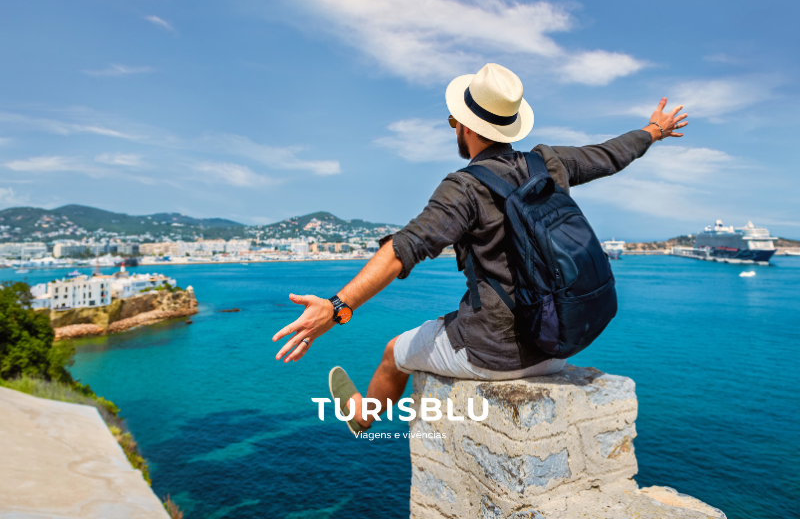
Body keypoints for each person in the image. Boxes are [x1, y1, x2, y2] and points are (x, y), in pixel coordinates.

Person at [273, 63, 688, 434]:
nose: (454, 126)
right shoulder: (548, 162)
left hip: (494, 354)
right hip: (559, 343)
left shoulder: (465, 187)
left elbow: (404, 248)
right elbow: (609, 155)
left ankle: (363, 417)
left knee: (393, 354)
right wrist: (654, 131)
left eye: (454, 120)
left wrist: (336, 307)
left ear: (466, 127)